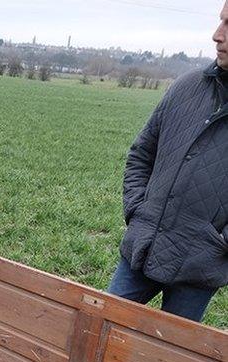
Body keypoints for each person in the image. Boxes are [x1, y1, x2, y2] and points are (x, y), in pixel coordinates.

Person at [108, 1, 228, 322]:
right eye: (220, 22)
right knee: (101, 330)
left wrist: (218, 242)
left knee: (170, 360)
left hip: (199, 265)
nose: (217, 35)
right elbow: (141, 154)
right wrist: (138, 211)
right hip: (143, 248)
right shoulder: (187, 87)